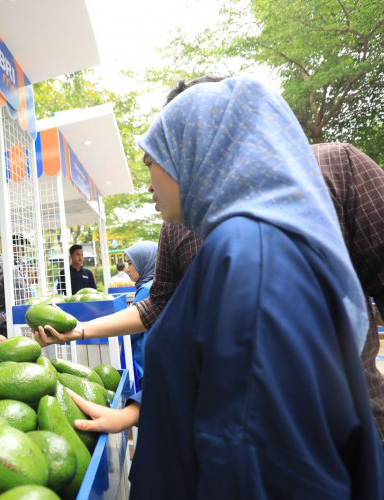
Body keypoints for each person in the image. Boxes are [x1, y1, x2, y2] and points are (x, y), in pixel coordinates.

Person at [36, 77, 384, 496]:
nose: (148, 181)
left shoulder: (251, 253)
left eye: (154, 159)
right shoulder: (206, 233)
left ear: (200, 142)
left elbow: (253, 446)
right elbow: (197, 348)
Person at [122, 241, 157, 386]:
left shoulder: (147, 290)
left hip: (146, 364)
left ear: (145, 262)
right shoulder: (156, 284)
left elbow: (131, 329)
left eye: (130, 263)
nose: (127, 269)